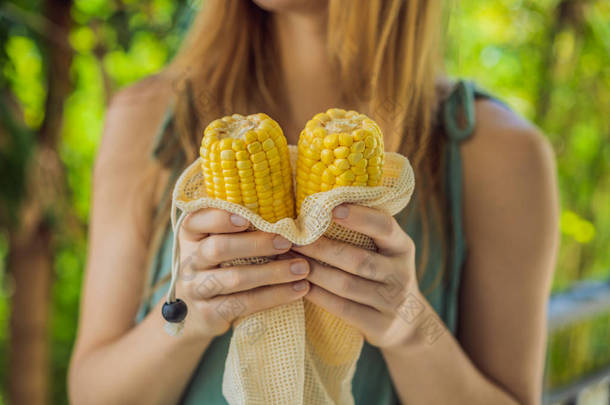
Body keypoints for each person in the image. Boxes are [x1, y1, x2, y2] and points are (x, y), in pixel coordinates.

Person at [67, 1, 559, 404]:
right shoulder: (144, 116)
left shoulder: (499, 153)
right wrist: (188, 316)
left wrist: (409, 325)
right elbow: (92, 394)